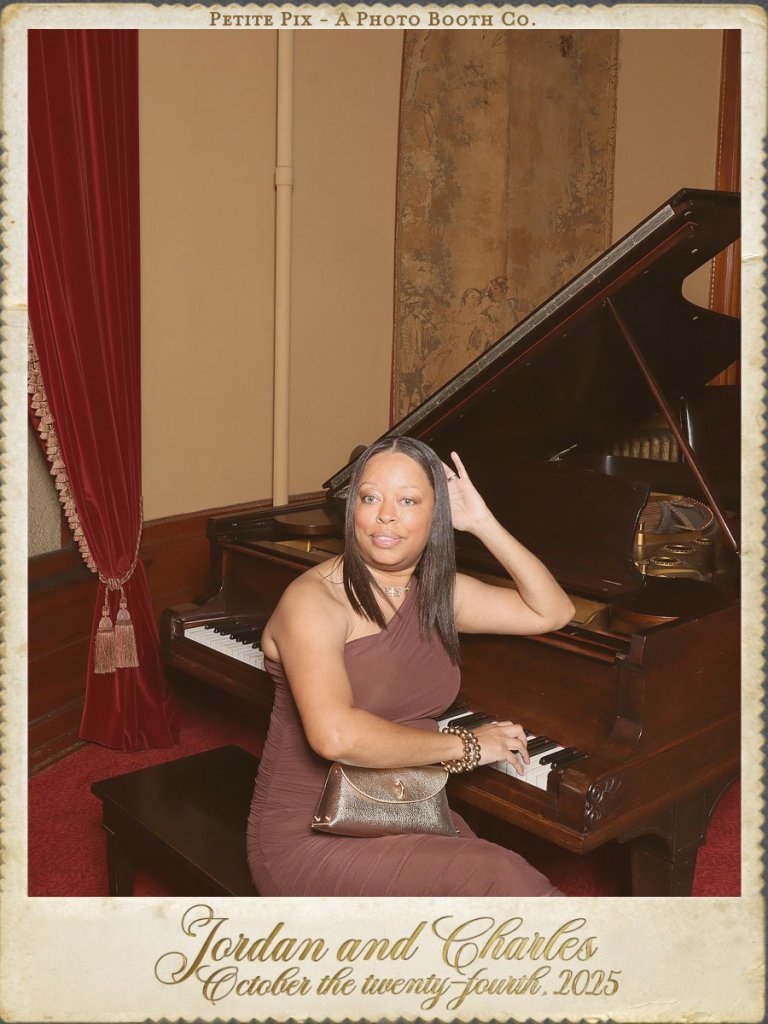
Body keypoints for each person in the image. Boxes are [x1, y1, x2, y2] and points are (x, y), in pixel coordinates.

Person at [246, 436, 575, 896]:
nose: (386, 515)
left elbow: (553, 612)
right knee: (501, 875)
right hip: (311, 833)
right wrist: (466, 746)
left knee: (494, 892)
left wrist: (481, 522)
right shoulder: (313, 600)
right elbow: (334, 736)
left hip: (405, 806)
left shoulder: (438, 594)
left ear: (436, 515)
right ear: (352, 509)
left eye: (408, 500)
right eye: (370, 498)